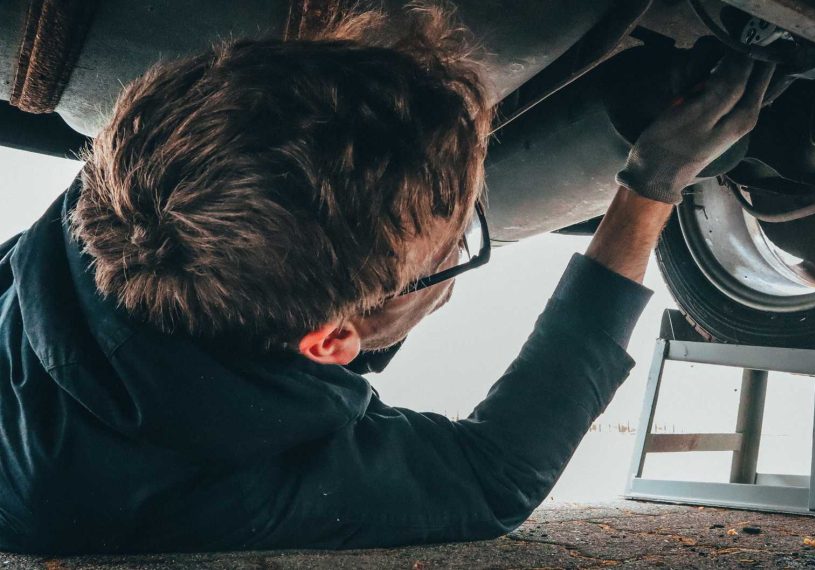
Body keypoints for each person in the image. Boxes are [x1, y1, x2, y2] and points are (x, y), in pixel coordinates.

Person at [0, 6, 773, 554]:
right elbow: (495, 476)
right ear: (330, 340)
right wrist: (649, 188)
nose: (456, 268)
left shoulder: (140, 188)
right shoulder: (216, 486)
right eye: (455, 247)